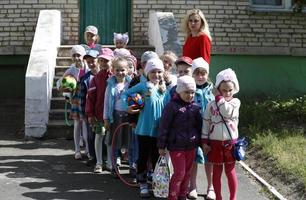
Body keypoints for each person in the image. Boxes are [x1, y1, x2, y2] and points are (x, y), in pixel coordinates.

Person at [121, 58, 169, 198]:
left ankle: (155, 183)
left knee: (156, 158)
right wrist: (127, 108)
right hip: (143, 130)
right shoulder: (143, 86)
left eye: (159, 71)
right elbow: (125, 94)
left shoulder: (165, 89)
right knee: (142, 157)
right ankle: (142, 184)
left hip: (159, 131)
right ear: (147, 73)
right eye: (153, 71)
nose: (156, 74)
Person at [158, 75, 202, 200]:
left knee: (187, 172)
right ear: (179, 91)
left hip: (191, 146)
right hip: (176, 146)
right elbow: (164, 126)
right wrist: (161, 145)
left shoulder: (195, 107)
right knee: (179, 173)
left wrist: (201, 142)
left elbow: (199, 127)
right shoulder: (171, 107)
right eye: (187, 92)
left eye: (192, 92)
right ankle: (173, 195)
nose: (190, 95)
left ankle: (182, 194)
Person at [202, 68, 240, 200]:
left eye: (230, 90)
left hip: (230, 142)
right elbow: (206, 123)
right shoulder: (211, 105)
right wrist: (205, 142)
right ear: (218, 88)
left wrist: (219, 98)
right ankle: (218, 197)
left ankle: (232, 198)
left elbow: (226, 112)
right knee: (216, 172)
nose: (228, 93)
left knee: (230, 172)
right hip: (215, 143)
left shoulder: (235, 102)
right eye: (224, 90)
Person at [188, 57, 215, 199]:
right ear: (192, 74)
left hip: (209, 131)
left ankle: (211, 187)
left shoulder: (213, 90)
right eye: (197, 73)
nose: (200, 76)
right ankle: (192, 186)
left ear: (207, 74)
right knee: (193, 158)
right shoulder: (189, 89)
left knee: (209, 158)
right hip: (193, 129)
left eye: (203, 73)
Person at [57, 45, 89, 160]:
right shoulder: (71, 69)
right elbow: (60, 84)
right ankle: (77, 150)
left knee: (86, 125)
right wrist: (65, 90)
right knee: (77, 125)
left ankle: (88, 149)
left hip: (87, 99)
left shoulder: (88, 68)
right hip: (76, 100)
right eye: (74, 55)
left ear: (83, 56)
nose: (76, 58)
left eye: (78, 55)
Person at [85, 48, 114, 173]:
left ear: (111, 62)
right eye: (101, 60)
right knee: (99, 136)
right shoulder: (95, 79)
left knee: (110, 138)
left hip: (112, 114)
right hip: (99, 114)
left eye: (106, 61)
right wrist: (90, 113)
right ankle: (99, 162)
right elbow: (90, 98)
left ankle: (110, 161)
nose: (103, 63)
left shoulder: (114, 77)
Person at [103, 57, 131, 176]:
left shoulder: (131, 84)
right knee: (114, 142)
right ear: (113, 70)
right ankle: (114, 165)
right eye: (117, 70)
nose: (120, 73)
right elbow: (106, 103)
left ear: (128, 70)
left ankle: (132, 165)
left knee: (129, 141)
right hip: (115, 116)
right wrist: (106, 118)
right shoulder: (111, 85)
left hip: (129, 116)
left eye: (123, 70)